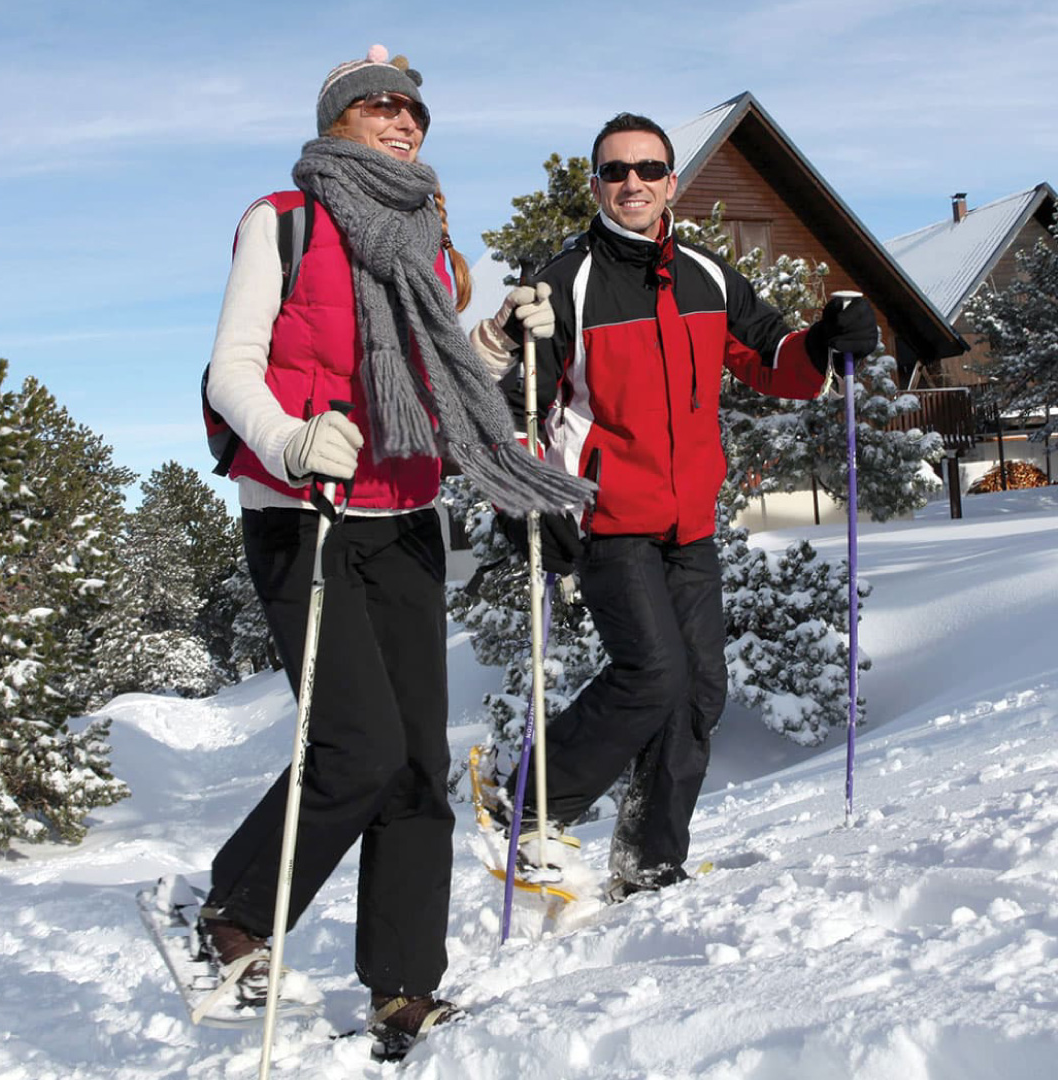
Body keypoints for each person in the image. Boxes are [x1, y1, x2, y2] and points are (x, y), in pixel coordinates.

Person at [201, 45, 590, 1059]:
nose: (402, 119)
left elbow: (442, 372)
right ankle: (235, 913)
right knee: (357, 748)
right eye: (377, 105)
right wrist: (287, 438)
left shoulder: (434, 240)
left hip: (404, 516)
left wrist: (502, 335)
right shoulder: (282, 221)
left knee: (417, 765)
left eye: (413, 108)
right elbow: (231, 367)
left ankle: (404, 988)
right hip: (303, 511)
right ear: (335, 122)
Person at [469, 112, 878, 900]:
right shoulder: (566, 283)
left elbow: (771, 361)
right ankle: (526, 799)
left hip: (690, 520)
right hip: (607, 518)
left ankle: (649, 861)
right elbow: (517, 407)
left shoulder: (706, 275)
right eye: (616, 171)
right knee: (651, 674)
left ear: (671, 183)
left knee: (699, 692)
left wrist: (827, 339)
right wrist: (530, 499)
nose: (633, 183)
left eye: (648, 170)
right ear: (595, 186)